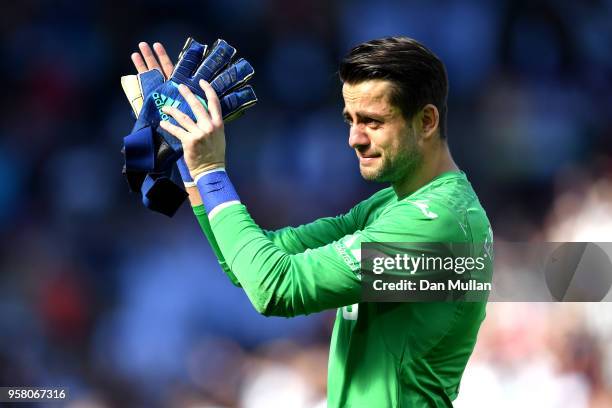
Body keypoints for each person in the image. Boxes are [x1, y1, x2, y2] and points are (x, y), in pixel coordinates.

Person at [131, 36, 493, 407]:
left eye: (372, 121)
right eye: (350, 120)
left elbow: (275, 289)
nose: (354, 138)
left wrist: (211, 171)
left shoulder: (436, 223)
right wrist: (189, 159)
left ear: (427, 120)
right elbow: (248, 266)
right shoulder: (392, 205)